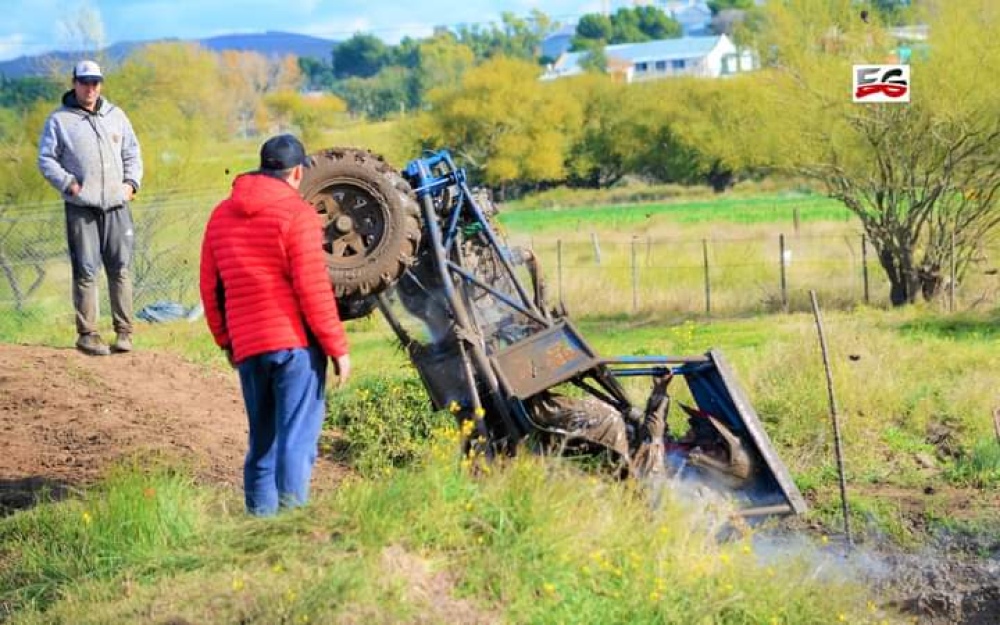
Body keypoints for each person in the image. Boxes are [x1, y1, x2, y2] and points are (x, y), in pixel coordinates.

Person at [199, 133, 351, 516]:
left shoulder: (221, 214)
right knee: (295, 442)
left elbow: (210, 286)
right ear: (297, 172)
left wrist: (227, 342)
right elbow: (312, 288)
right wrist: (337, 348)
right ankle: (292, 528)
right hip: (294, 346)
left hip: (249, 348)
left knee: (262, 444)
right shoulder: (296, 214)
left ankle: (260, 529)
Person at [37, 60, 143, 356]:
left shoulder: (116, 115)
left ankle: (124, 333)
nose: (90, 88)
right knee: (85, 269)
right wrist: (69, 183)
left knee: (120, 268)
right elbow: (46, 159)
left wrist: (131, 184)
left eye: (95, 82)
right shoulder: (59, 120)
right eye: (84, 82)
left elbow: (132, 152)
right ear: (74, 83)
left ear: (101, 84)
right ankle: (89, 335)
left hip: (117, 205)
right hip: (81, 207)